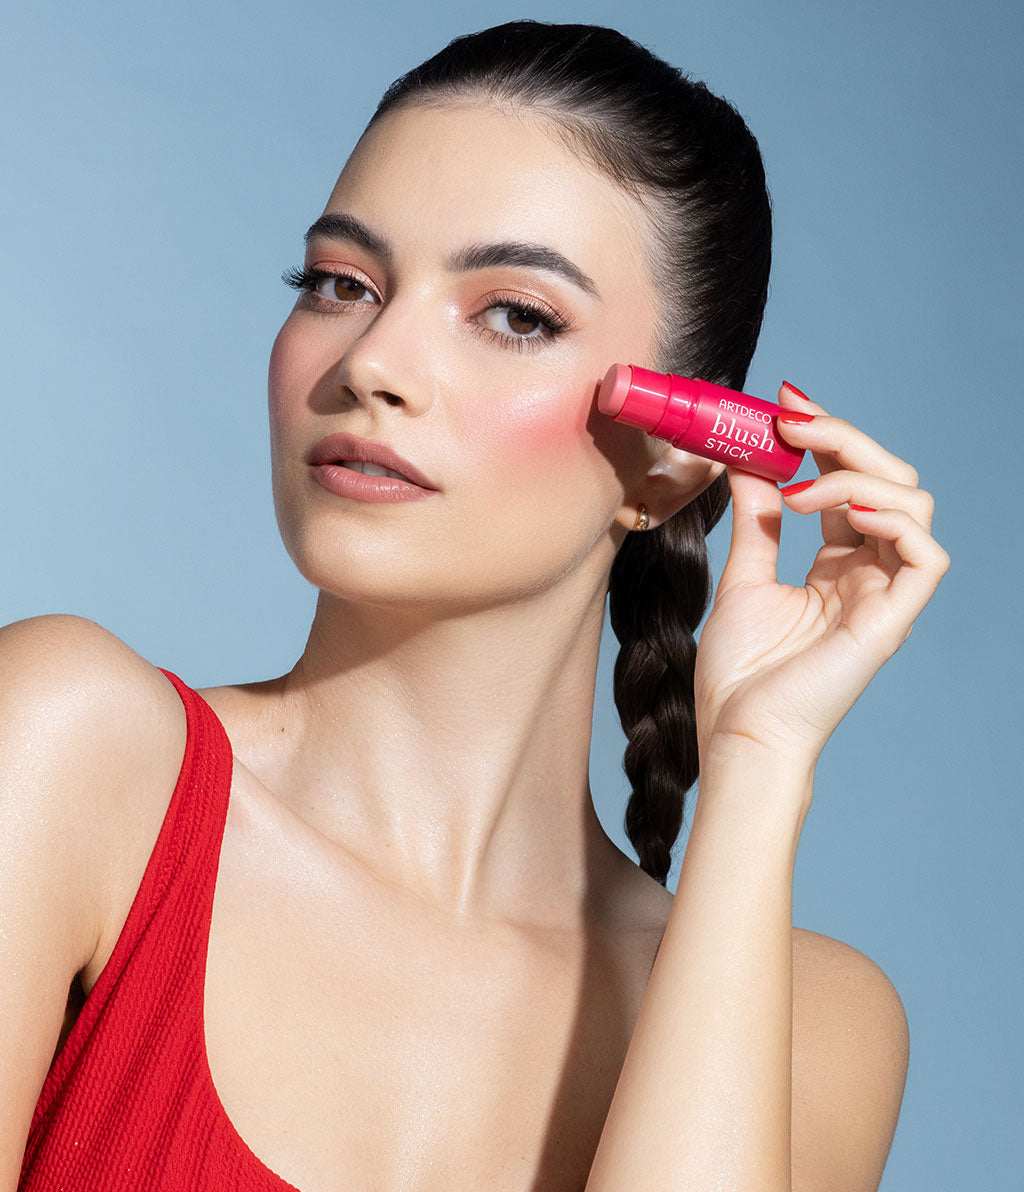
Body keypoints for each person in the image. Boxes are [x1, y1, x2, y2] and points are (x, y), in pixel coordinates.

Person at [3, 19, 948, 1192]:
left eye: (515, 315)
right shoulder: (68, 755)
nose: (373, 361)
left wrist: (758, 762)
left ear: (675, 453)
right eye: (340, 284)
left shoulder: (819, 1027)